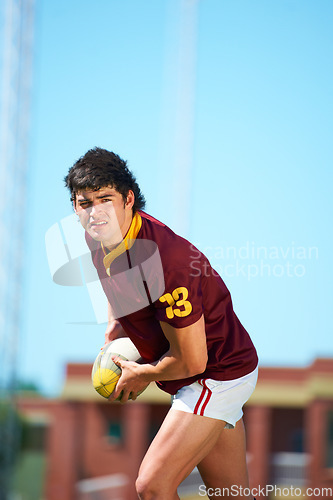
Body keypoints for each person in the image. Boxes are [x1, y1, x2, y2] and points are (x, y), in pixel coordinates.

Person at [64, 147, 258, 500]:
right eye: (84, 202)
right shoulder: (100, 237)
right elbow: (114, 284)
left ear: (128, 199)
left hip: (216, 374)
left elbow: (193, 361)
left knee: (152, 486)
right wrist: (114, 329)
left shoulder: (167, 264)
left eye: (104, 199)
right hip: (201, 373)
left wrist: (144, 374)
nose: (94, 212)